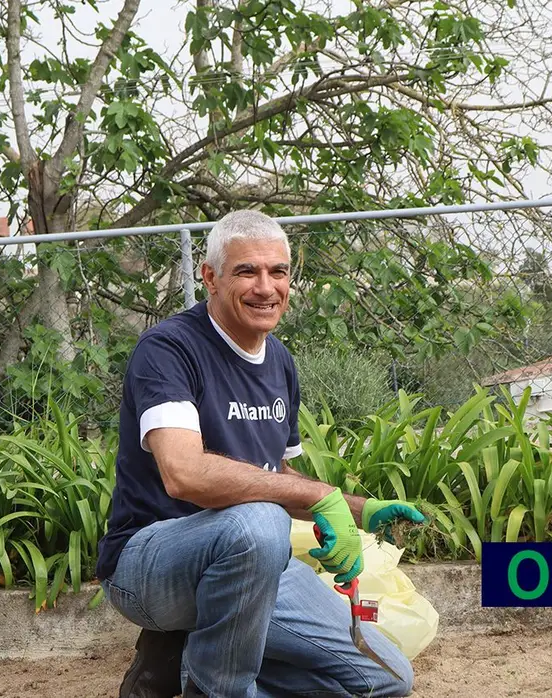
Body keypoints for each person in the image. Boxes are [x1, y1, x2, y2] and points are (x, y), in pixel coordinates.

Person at [95, 209, 426, 698]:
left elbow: (278, 474)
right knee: (261, 523)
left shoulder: (280, 362)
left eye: (279, 272)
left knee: (388, 680)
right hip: (148, 564)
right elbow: (183, 474)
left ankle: (183, 669)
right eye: (247, 271)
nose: (266, 287)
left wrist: (360, 511)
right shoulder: (169, 349)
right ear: (209, 277)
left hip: (253, 563)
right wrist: (318, 494)